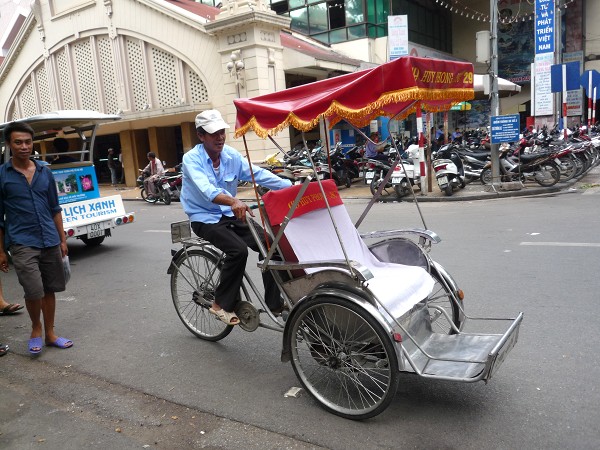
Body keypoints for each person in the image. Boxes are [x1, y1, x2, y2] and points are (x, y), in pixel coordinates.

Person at [180, 110, 292, 326]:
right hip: (204, 218)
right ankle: (219, 305)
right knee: (237, 251)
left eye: (221, 132)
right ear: (201, 136)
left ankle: (274, 303)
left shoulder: (231, 155)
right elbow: (207, 191)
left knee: (272, 247)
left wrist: (292, 187)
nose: (220, 137)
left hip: (231, 214)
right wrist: (233, 201)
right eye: (213, 133)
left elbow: (257, 174)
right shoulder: (191, 160)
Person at [0, 121, 72, 355]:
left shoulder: (44, 171)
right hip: (21, 241)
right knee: (33, 290)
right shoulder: (2, 175)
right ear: (9, 145)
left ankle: (50, 333)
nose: (24, 146)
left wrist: (62, 240)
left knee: (50, 288)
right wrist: (1, 250)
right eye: (18, 142)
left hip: (49, 238)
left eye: (28, 142)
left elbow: (55, 208)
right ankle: (35, 329)